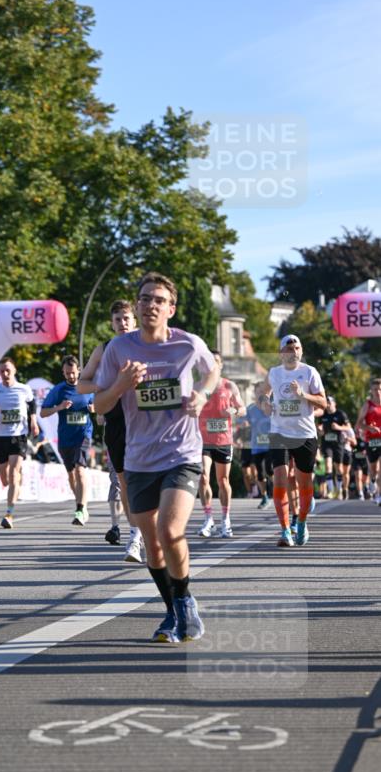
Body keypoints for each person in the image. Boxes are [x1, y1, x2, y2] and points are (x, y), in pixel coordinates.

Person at [94, 271, 219, 643]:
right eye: (145, 299)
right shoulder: (119, 349)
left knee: (170, 530)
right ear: (137, 305)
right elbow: (99, 404)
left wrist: (202, 395)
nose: (151, 305)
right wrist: (120, 385)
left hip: (181, 453)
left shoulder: (187, 344)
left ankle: (182, 604)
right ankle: (175, 608)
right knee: (151, 543)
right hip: (139, 458)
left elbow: (212, 372)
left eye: (159, 300)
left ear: (171, 309)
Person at [77, 299, 144, 562]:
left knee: (151, 477)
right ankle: (135, 534)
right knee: (125, 482)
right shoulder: (103, 349)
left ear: (134, 320)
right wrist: (109, 385)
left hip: (146, 422)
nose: (122, 323)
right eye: (118, 319)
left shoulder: (147, 345)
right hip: (116, 421)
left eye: (127, 318)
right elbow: (82, 385)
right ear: (112, 323)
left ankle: (149, 529)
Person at [260, 334, 327, 547]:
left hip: (305, 435)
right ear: (281, 353)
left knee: (304, 482)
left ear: (301, 351)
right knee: (280, 478)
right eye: (289, 349)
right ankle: (285, 529)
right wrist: (265, 405)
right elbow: (261, 394)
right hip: (279, 433)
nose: (294, 352)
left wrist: (303, 396)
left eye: (297, 348)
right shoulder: (274, 373)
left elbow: (323, 402)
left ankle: (302, 523)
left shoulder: (310, 372)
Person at [0, 356, 39, 529]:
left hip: (19, 435)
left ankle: (9, 513)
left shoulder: (24, 389)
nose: (5, 374)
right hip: (0, 436)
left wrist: (33, 421)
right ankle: (14, 485)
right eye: (2, 371)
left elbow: (32, 405)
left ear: (14, 370)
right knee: (5, 478)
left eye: (8, 370)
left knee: (13, 473)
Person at [40, 355, 95, 526]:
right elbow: (43, 413)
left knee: (80, 470)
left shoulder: (88, 387)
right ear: (63, 373)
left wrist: (94, 408)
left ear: (79, 370)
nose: (71, 376)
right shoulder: (58, 390)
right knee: (71, 474)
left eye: (73, 373)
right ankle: (80, 504)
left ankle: (81, 508)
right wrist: (59, 407)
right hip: (65, 438)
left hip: (84, 434)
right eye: (67, 373)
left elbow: (100, 405)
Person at [197, 351, 245, 538]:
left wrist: (231, 410)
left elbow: (242, 409)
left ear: (221, 365)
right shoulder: (198, 386)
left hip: (223, 440)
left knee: (223, 481)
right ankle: (208, 518)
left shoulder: (229, 386)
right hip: (202, 440)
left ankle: (225, 520)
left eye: (216, 362)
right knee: (203, 476)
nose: (212, 366)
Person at [246, 381, 273, 508]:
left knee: (270, 469)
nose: (260, 394)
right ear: (255, 394)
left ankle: (281, 492)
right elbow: (242, 420)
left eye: (262, 392)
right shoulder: (250, 409)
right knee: (260, 473)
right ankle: (265, 497)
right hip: (256, 446)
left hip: (271, 445)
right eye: (258, 392)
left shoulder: (271, 407)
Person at [355, 378, 381, 504]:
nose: (378, 392)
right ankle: (373, 481)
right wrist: (370, 428)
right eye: (375, 389)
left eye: (380, 389)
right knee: (374, 469)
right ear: (371, 391)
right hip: (371, 440)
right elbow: (358, 424)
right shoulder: (368, 405)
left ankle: (379, 495)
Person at [318, 395, 349, 499]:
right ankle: (331, 490)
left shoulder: (340, 414)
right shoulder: (323, 415)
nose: (328, 404)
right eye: (326, 402)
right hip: (327, 443)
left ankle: (339, 489)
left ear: (334, 403)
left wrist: (339, 427)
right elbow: (320, 429)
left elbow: (349, 427)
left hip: (338, 444)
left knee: (339, 468)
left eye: (330, 402)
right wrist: (320, 430)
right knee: (328, 465)